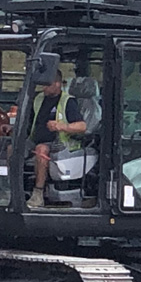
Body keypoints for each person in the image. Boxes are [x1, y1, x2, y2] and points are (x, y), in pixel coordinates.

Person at [26, 69, 87, 208]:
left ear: (58, 83)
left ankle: (38, 194)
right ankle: (10, 189)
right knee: (12, 148)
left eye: (47, 84)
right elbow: (30, 122)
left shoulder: (68, 101)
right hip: (34, 139)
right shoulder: (38, 99)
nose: (44, 88)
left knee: (41, 150)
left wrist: (61, 126)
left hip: (60, 143)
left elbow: (82, 126)